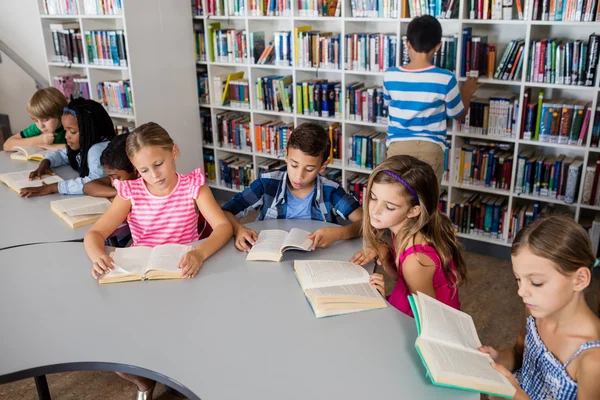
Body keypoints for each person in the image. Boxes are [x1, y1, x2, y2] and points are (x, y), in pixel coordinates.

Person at [83, 122, 232, 399]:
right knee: (118, 355)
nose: (154, 175)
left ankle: (183, 380)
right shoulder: (131, 192)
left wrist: (199, 252)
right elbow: (95, 233)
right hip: (143, 280)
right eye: (144, 170)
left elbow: (223, 227)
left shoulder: (193, 187)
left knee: (190, 343)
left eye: (159, 164)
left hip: (184, 276)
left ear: (174, 152)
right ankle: (145, 383)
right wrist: (98, 256)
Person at [479, 215, 600, 400]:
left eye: (536, 282)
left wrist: (516, 395)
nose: (521, 292)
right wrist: (498, 358)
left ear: (580, 279)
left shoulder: (593, 359)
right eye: (518, 279)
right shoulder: (534, 312)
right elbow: (519, 355)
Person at [352, 155, 467, 316]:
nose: (374, 210)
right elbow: (403, 281)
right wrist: (387, 259)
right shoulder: (403, 230)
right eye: (373, 197)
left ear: (413, 211)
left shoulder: (416, 260)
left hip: (421, 322)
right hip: (409, 307)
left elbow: (428, 319)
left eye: (390, 207)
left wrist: (382, 302)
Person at [221, 122, 363, 251]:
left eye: (309, 169)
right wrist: (239, 229)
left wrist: (339, 233)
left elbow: (366, 223)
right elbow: (226, 211)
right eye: (294, 165)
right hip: (271, 253)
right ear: (286, 155)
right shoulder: (267, 183)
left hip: (316, 257)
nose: (299, 176)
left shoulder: (331, 190)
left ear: (323, 166)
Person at [383, 15, 481, 182]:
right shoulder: (445, 78)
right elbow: (458, 114)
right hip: (431, 148)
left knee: (399, 199)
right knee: (428, 201)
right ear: (438, 46)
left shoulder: (390, 75)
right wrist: (467, 93)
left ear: (407, 43)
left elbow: (388, 105)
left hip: (398, 147)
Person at [19, 98, 114, 197]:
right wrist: (46, 162)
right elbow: (62, 154)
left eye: (72, 132)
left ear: (91, 130)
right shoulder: (85, 144)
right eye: (65, 131)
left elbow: (94, 182)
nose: (66, 136)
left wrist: (52, 187)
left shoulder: (97, 150)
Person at [3, 87, 68, 152]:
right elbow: (7, 145)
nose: (41, 126)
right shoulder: (36, 128)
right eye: (36, 120)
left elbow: (77, 149)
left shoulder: (71, 126)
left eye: (45, 120)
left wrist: (53, 147)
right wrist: (40, 140)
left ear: (60, 114)